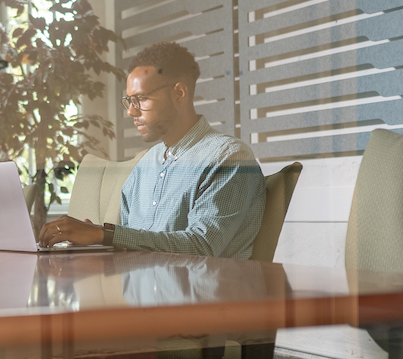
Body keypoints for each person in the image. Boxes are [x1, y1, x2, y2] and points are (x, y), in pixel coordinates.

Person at [38, 41, 265, 257]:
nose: (131, 112)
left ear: (179, 93)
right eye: (129, 101)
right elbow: (129, 242)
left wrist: (104, 234)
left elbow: (202, 246)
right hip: (140, 290)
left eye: (142, 99)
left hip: (201, 295)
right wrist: (96, 240)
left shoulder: (229, 158)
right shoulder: (147, 163)